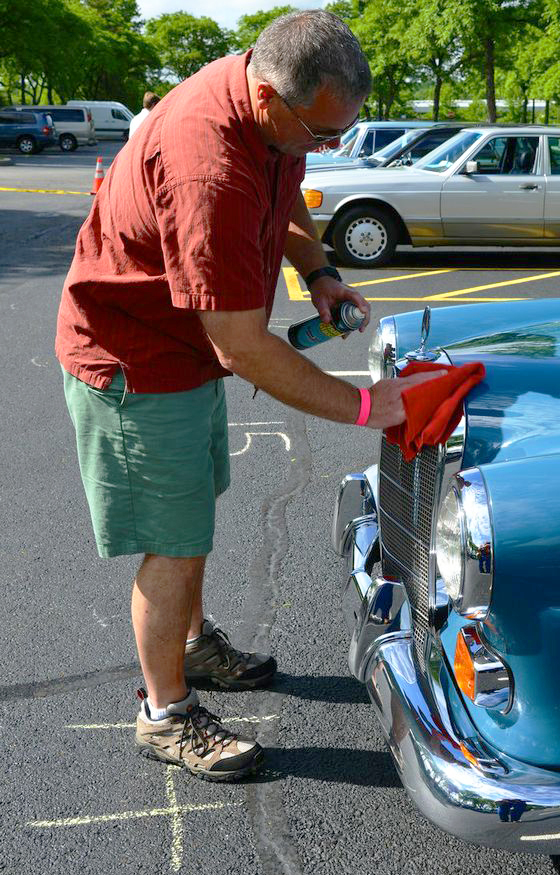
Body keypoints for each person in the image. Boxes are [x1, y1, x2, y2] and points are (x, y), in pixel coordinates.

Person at [55, 10, 445, 783]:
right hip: (136, 360)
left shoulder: (270, 120)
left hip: (186, 352)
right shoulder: (210, 165)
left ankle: (194, 646)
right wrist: (370, 407)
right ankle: (164, 712)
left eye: (341, 134)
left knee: (192, 520)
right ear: (267, 95)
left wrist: (320, 270)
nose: (328, 149)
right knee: (171, 541)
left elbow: (290, 190)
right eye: (322, 133)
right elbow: (240, 344)